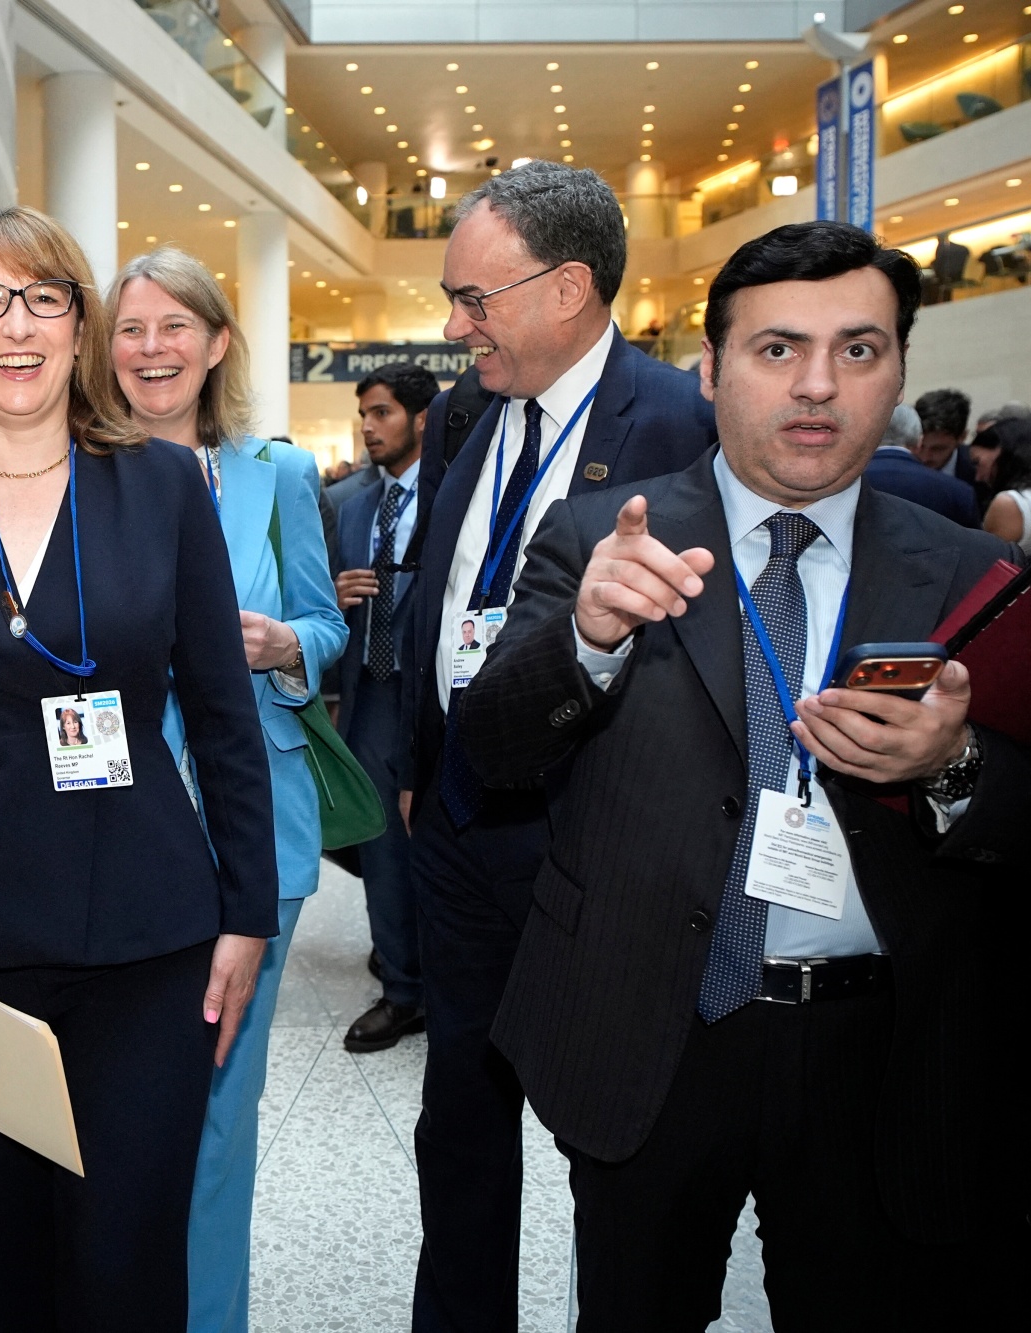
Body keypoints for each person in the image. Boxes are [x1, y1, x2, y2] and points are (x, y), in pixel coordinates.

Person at [462, 219, 1026, 1329]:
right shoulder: (599, 540)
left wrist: (950, 764)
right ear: (709, 368)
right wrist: (585, 638)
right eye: (776, 350)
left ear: (898, 371)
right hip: (654, 1029)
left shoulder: (970, 568)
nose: (816, 385)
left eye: (856, 351)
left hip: (882, 1049)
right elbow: (492, 752)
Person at [0, 206, 278, 1332]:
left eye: (43, 298)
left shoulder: (161, 488)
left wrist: (248, 912)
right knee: (10, 1266)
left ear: (77, 329)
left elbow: (222, 714)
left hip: (148, 937)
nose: (14, 325)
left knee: (127, 1263)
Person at [400, 160, 717, 1332]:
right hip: (462, 827)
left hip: (601, 850)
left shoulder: (680, 425)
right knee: (459, 1131)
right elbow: (432, 597)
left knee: (606, 1147)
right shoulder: (461, 414)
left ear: (568, 286)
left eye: (473, 299)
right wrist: (413, 769)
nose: (452, 327)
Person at [106, 246, 346, 1333]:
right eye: (129, 328)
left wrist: (282, 641)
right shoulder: (72, 474)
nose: (150, 348)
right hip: (116, 834)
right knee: (115, 1109)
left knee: (215, 1110)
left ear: (213, 344)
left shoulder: (277, 474)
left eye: (171, 326)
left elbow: (327, 624)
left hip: (258, 836)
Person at [332, 362, 436, 1055]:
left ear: (421, 418)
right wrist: (335, 594)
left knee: (437, 836)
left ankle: (442, 969)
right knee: (378, 839)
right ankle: (402, 987)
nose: (368, 427)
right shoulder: (348, 503)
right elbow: (311, 600)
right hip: (370, 687)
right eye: (364, 415)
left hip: (432, 691)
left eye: (382, 414)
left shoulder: (459, 493)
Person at [863, 403, 979, 525]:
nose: (928, 457)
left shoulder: (848, 482)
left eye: (938, 449)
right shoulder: (958, 492)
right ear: (919, 442)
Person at [979, 418, 1031, 552]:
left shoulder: (1009, 503)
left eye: (978, 463)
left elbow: (989, 560)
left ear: (1001, 451)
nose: (978, 476)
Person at [912, 386, 975, 481]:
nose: (925, 458)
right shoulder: (896, 465)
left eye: (938, 449)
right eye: (919, 446)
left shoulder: (977, 470)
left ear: (961, 437)